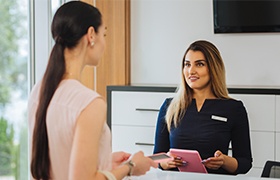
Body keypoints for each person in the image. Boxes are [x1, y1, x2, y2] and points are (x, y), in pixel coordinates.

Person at [28, 1, 157, 180]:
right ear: (91, 35)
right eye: (103, 34)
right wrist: (130, 167)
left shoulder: (38, 92)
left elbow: (58, 161)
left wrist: (104, 162)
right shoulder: (89, 102)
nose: (104, 43)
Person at [153, 40, 252, 175]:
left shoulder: (234, 108)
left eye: (199, 64)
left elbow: (245, 163)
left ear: (213, 68)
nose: (191, 71)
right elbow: (156, 157)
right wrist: (165, 162)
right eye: (187, 64)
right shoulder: (169, 107)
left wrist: (224, 161)